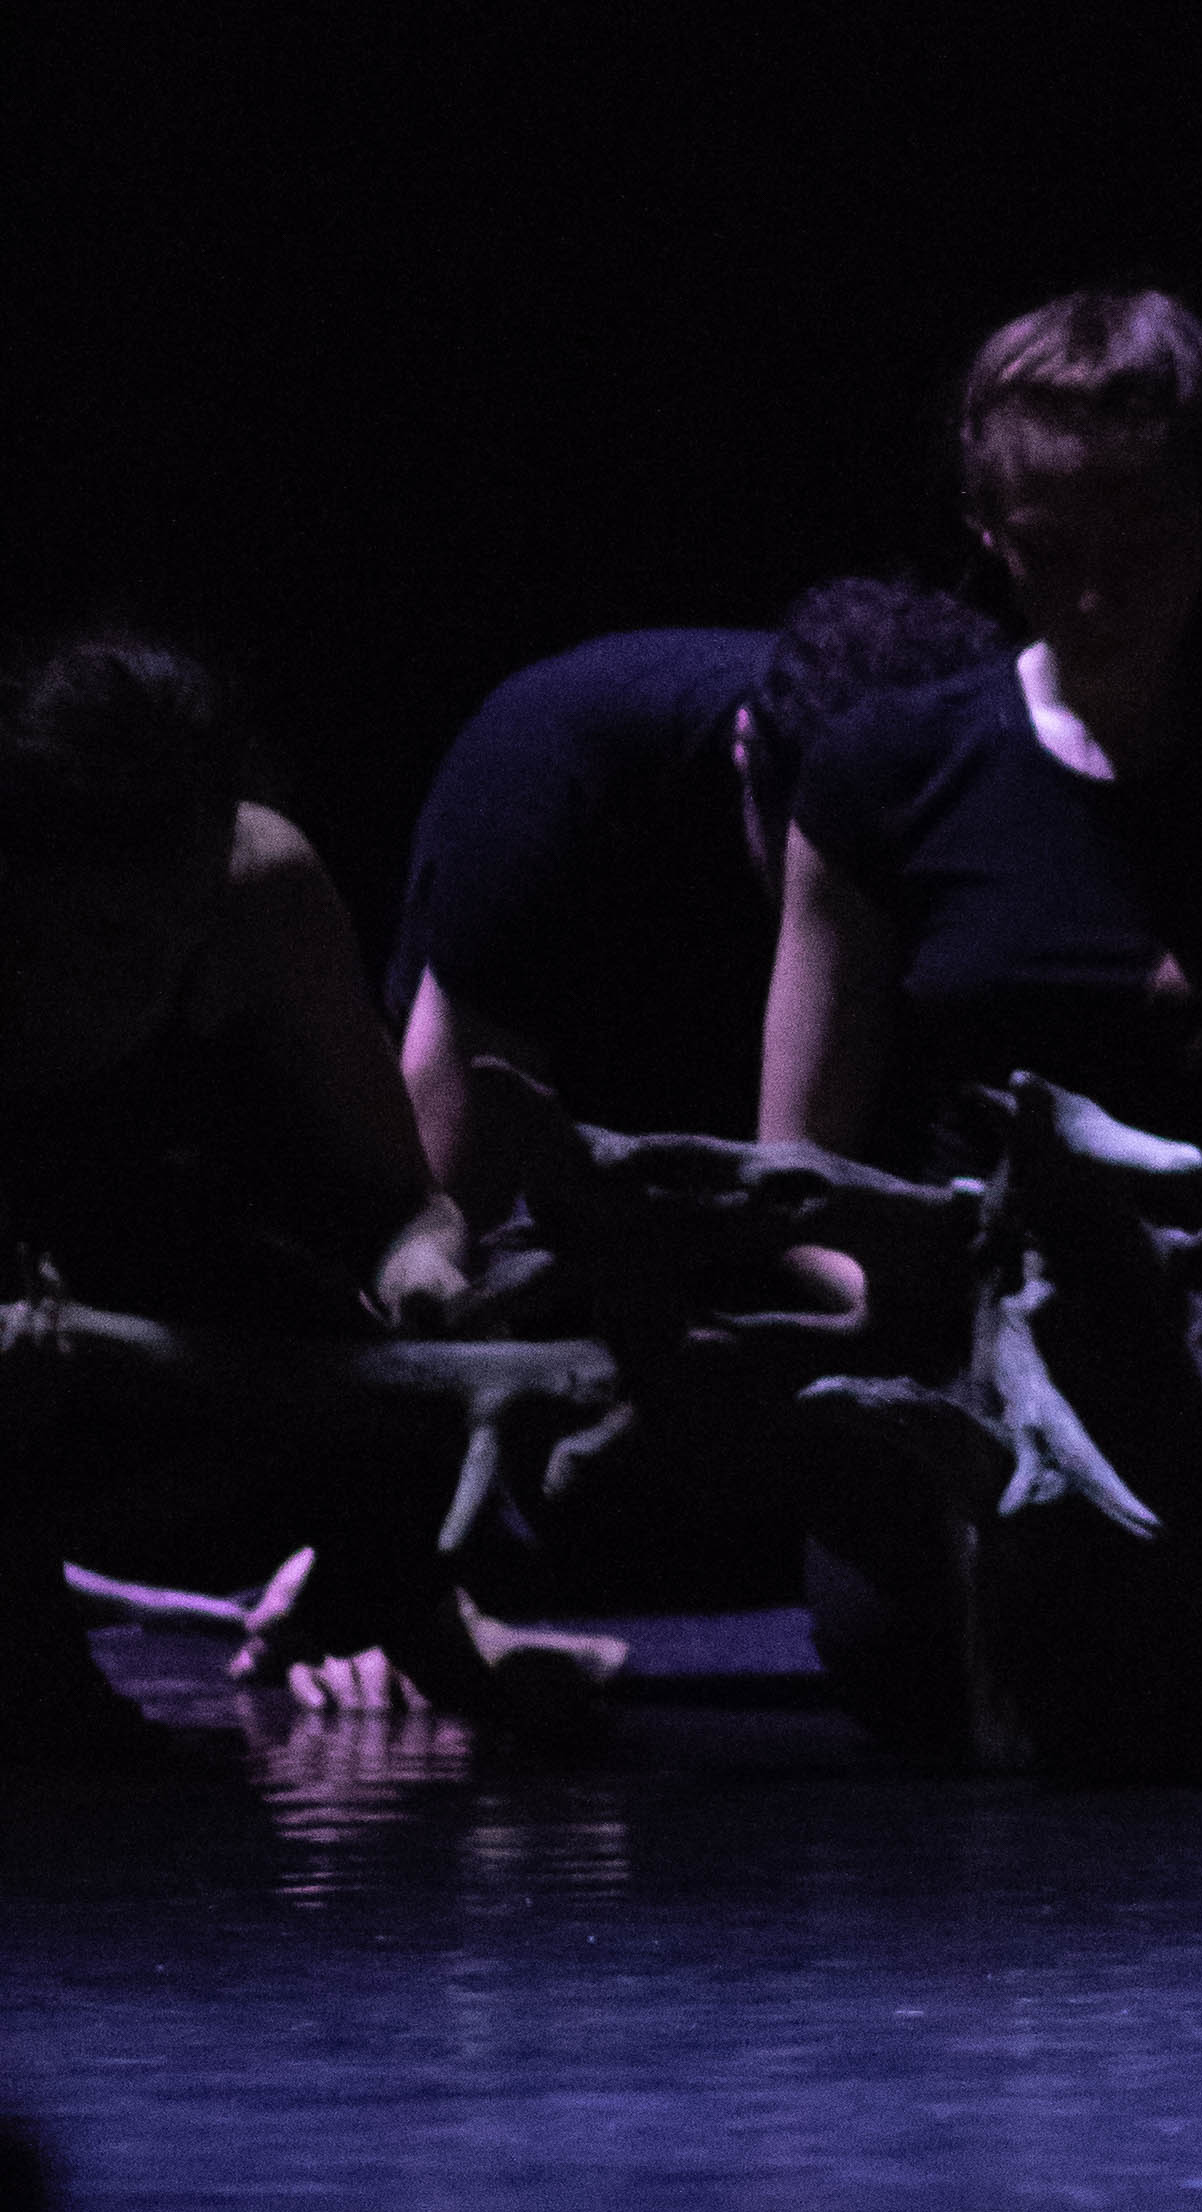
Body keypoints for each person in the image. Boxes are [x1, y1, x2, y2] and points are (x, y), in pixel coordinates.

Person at [764, 288, 1202, 1186]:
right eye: (1050, 551)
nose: (1095, 599)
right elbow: (795, 1179)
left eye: (1141, 548)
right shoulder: (879, 774)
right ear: (985, 522)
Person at [1, 631, 474, 1762]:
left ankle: (366, 1621)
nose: (165, 968)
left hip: (145, 1322)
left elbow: (405, 1205)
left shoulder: (259, 886)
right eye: (113, 932)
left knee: (414, 1392)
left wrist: (422, 1276)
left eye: (193, 914)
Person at [392, 578, 994, 1211]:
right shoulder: (540, 796)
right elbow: (447, 1174)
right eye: (848, 866)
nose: (877, 905)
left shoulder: (961, 755)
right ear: (745, 754)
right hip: (579, 1032)